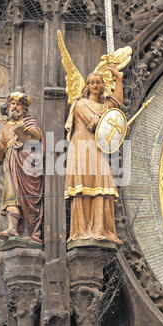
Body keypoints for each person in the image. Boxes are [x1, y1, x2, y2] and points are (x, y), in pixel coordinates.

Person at [64, 65, 124, 246]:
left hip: (97, 148)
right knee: (84, 185)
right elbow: (93, 124)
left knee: (102, 183)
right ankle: (81, 230)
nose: (94, 85)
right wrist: (102, 120)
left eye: (98, 82)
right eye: (91, 83)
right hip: (82, 146)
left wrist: (119, 79)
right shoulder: (80, 104)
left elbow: (117, 104)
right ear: (87, 85)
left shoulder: (105, 104)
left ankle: (101, 229)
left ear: (103, 85)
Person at [0, 87, 44, 243]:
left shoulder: (30, 122)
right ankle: (12, 228)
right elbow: (0, 153)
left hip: (27, 166)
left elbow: (38, 140)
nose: (15, 106)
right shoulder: (5, 128)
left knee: (28, 198)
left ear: (24, 108)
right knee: (12, 196)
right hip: (11, 164)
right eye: (12, 104)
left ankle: (30, 232)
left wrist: (32, 133)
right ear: (8, 107)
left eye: (18, 104)